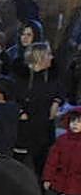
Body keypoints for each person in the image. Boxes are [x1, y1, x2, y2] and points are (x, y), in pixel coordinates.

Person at [14, 42, 64, 178]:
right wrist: (20, 112)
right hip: (24, 127)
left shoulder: (52, 76)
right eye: (48, 54)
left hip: (44, 126)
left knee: (42, 163)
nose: (51, 57)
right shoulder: (21, 77)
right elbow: (12, 96)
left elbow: (59, 92)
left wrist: (56, 102)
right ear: (39, 56)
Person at [43, 106, 81, 195]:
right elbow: (52, 161)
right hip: (58, 180)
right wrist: (47, 178)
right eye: (73, 121)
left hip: (76, 184)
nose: (75, 125)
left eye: (79, 122)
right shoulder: (62, 140)